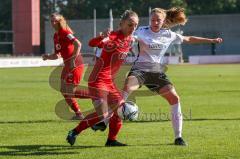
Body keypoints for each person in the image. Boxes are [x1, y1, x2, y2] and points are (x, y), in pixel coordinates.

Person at [121, 7, 223, 146]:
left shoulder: (168, 34)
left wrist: (210, 40)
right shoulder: (141, 31)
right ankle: (103, 121)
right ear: (149, 20)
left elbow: (188, 38)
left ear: (163, 21)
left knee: (175, 98)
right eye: (153, 20)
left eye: (158, 20)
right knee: (124, 93)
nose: (155, 22)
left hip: (156, 71)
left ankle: (178, 137)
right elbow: (127, 36)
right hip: (140, 69)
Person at [66, 10, 139, 147]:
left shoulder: (130, 39)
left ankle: (111, 140)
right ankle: (74, 132)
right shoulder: (112, 36)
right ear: (121, 24)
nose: (133, 28)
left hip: (110, 82)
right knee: (103, 114)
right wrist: (101, 37)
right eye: (130, 25)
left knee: (119, 111)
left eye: (135, 25)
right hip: (98, 79)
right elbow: (92, 43)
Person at [42, 13, 89, 120]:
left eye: (55, 21)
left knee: (70, 90)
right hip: (67, 64)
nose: (53, 23)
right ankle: (79, 114)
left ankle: (99, 96)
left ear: (60, 21)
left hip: (75, 63)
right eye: (51, 21)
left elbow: (78, 44)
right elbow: (57, 54)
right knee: (64, 90)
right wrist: (48, 57)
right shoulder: (56, 36)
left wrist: (72, 60)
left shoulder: (65, 32)